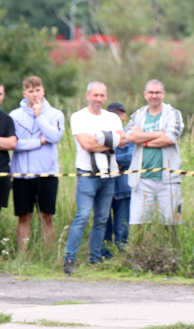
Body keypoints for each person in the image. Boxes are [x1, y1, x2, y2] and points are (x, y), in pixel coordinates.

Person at [64, 82, 126, 274]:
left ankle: (95, 258)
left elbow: (122, 140)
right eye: (95, 95)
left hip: (109, 174)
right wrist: (108, 142)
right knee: (82, 216)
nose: (98, 99)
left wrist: (98, 139)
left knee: (101, 218)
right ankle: (70, 258)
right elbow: (85, 144)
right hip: (87, 174)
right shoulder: (79, 117)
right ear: (88, 95)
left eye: (102, 95)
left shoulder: (112, 118)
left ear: (105, 97)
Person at [9, 76, 64, 254]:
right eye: (31, 91)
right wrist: (38, 142)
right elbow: (14, 144)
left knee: (46, 217)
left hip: (47, 174)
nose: (35, 94)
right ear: (25, 93)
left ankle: (48, 256)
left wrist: (39, 115)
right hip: (22, 175)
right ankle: (23, 257)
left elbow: (54, 137)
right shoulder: (14, 116)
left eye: (38, 90)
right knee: (24, 217)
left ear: (43, 91)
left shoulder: (55, 114)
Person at [125, 80, 184, 227]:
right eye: (151, 92)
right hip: (141, 179)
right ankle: (141, 250)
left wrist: (143, 139)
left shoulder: (173, 114)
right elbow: (130, 137)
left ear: (163, 94)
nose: (154, 96)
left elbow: (170, 138)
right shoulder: (138, 115)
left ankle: (170, 251)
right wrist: (158, 134)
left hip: (168, 179)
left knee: (171, 225)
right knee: (139, 225)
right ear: (145, 94)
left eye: (157, 92)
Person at [102, 102, 133, 256]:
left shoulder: (130, 136)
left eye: (118, 114)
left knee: (122, 227)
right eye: (112, 114)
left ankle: (122, 257)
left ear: (124, 116)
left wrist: (110, 161)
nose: (116, 117)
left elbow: (131, 157)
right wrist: (117, 162)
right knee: (103, 225)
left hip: (123, 188)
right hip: (103, 187)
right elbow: (97, 157)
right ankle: (104, 257)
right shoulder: (100, 136)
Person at [0, 82, 17, 218]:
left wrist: (6, 143)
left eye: (0, 94)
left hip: (2, 172)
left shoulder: (7, 119)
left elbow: (12, 143)